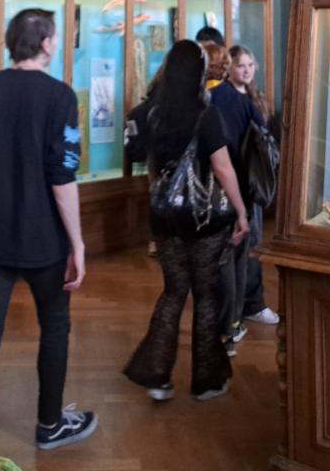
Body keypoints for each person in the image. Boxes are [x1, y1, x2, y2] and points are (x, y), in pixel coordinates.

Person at [0, 8, 96, 459]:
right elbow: (62, 176)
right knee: (54, 327)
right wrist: (77, 242)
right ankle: (49, 424)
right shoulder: (59, 96)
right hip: (45, 239)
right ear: (48, 44)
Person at [124, 40, 249, 401]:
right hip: (204, 217)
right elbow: (222, 169)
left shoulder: (152, 114)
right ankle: (207, 380)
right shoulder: (207, 115)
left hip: (165, 218)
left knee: (173, 291)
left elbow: (148, 166)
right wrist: (241, 212)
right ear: (198, 73)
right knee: (206, 295)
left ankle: (156, 376)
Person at [209, 44, 276, 355]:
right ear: (229, 68)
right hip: (238, 183)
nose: (246, 70)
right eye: (241, 65)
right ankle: (235, 318)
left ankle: (242, 311)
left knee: (244, 250)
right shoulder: (228, 98)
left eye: (250, 65)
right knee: (241, 250)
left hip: (242, 181)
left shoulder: (245, 96)